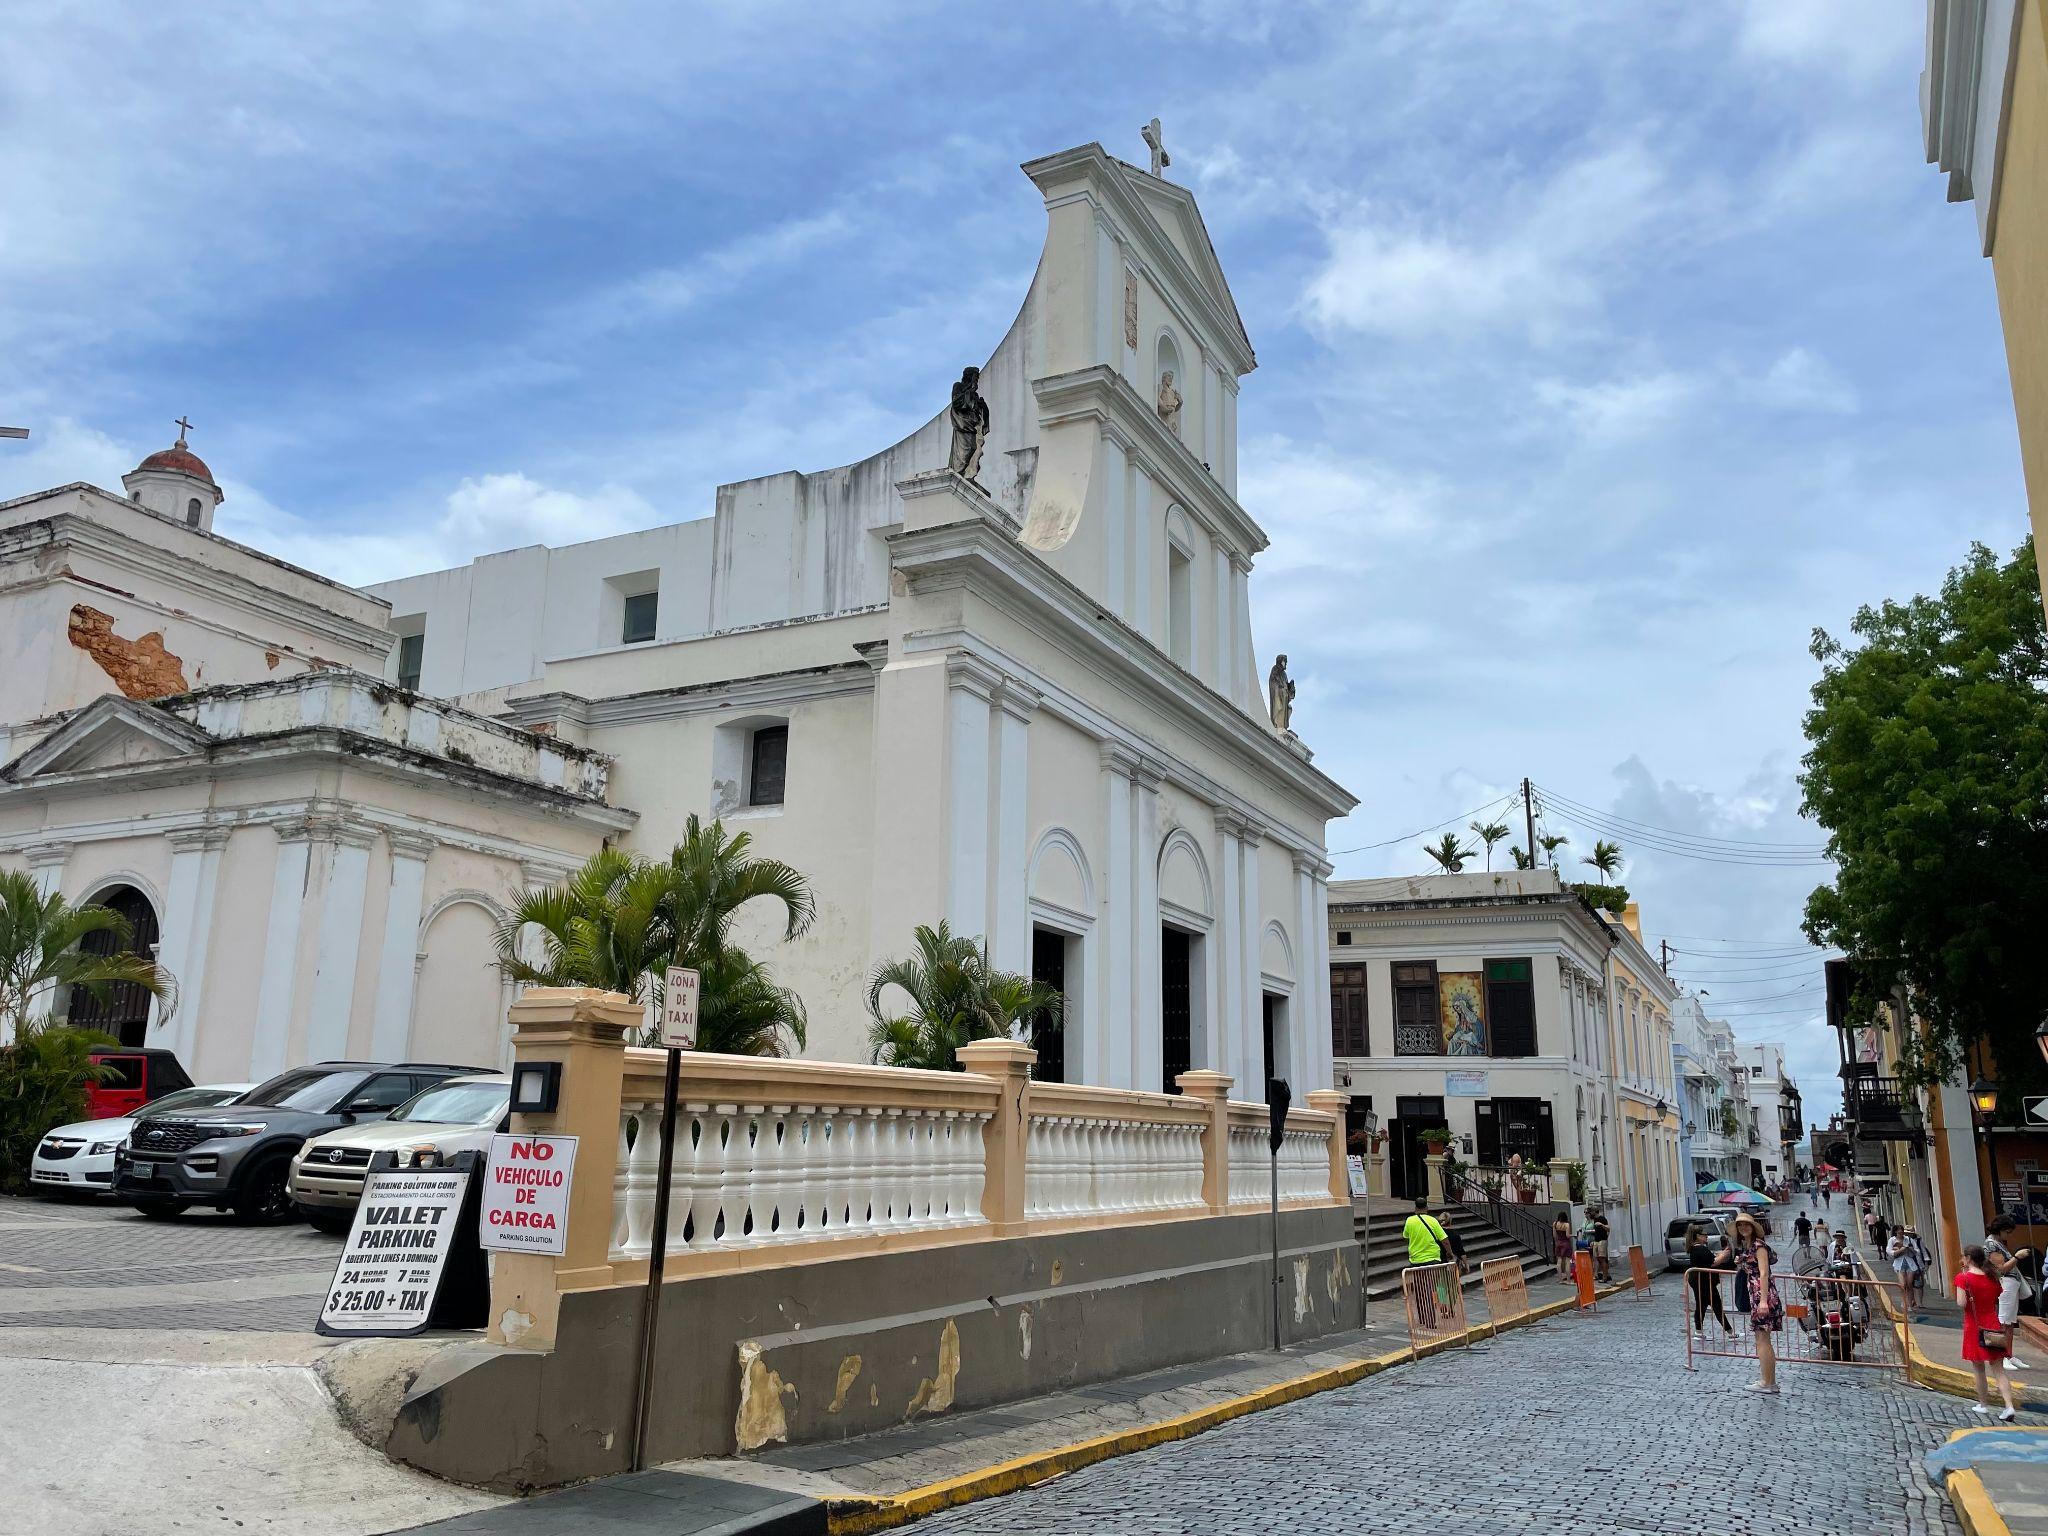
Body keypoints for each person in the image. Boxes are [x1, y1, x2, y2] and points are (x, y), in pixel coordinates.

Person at [1720, 1212, 1783, 1394]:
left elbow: (1764, 1273)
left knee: (1762, 1341)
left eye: (1746, 1225)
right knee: (1762, 1340)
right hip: (1757, 1295)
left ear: (1753, 1228)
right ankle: (1769, 1381)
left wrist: (1763, 1301)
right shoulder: (1748, 1247)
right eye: (1740, 1225)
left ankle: (1767, 1382)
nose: (1743, 1228)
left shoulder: (1758, 1246)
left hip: (1762, 1296)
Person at [1958, 1245, 2022, 1421]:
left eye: (1963, 1257)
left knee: (1978, 1368)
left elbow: (1961, 1303)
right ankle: (2009, 1406)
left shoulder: (1963, 1278)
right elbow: (1997, 1297)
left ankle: (1983, 1404)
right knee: (1999, 1369)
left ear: (1968, 1258)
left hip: (1974, 1326)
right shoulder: (1992, 1277)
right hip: (1993, 1324)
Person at [1985, 1216, 2034, 1371]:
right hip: (2006, 1283)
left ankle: (2008, 1354)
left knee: (2009, 1321)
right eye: (2007, 1231)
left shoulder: (1997, 1243)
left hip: (2011, 1284)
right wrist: (2017, 1257)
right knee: (2004, 1321)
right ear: (2000, 1230)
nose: (2008, 1235)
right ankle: (2001, 1356)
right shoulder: (1992, 1244)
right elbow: (2001, 1269)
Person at [1686, 1223, 1733, 1338]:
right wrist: (1723, 1255)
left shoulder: (1696, 1248)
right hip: (1704, 1282)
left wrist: (1720, 1256)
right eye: (1704, 1234)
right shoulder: (1699, 1248)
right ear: (1698, 1236)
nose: (1707, 1236)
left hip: (1700, 1281)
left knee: (1702, 1306)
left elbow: (1709, 1260)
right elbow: (1712, 1262)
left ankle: (1699, 1331)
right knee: (1715, 1305)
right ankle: (1730, 1332)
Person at [1402, 1195, 1451, 1266]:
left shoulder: (1409, 1220)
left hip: (1416, 1259)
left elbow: (1406, 1237)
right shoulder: (1433, 1220)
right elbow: (1444, 1240)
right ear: (1427, 1208)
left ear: (1415, 1208)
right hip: (1433, 1258)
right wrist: (1449, 1252)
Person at [1888, 1228, 1926, 1316]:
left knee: (1909, 1284)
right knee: (1903, 1284)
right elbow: (1889, 1251)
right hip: (1899, 1264)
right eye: (1899, 1231)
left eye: (1902, 1231)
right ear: (1896, 1232)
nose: (1901, 1233)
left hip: (1910, 1263)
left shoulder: (1909, 1239)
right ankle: (1904, 1301)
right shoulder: (1892, 1240)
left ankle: (1910, 1305)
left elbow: (1917, 1251)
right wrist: (1900, 1250)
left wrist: (1909, 1249)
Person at [1589, 1207, 1612, 1283]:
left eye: (1591, 1212)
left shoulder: (1602, 1219)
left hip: (1602, 1240)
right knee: (1597, 1258)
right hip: (1596, 1240)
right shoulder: (1594, 1219)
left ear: (1595, 1211)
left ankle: (1605, 1277)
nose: (1590, 1214)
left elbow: (1608, 1229)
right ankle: (1606, 1275)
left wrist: (1601, 1225)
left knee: (1602, 1258)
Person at [1552, 1208, 1574, 1285]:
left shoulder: (1555, 1224)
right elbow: (1567, 1235)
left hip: (1558, 1243)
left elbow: (1554, 1236)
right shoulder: (1566, 1225)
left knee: (1559, 1261)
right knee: (1567, 1261)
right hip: (1566, 1243)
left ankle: (1560, 1280)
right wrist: (1573, 1235)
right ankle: (1568, 1281)